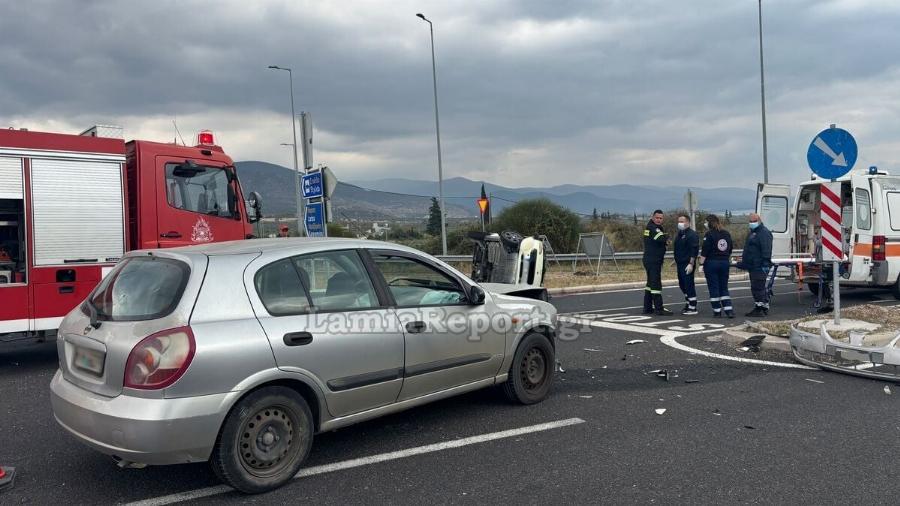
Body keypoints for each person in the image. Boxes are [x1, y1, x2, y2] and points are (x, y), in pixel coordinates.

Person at [736, 213, 773, 317]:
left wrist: (765, 263)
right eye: (750, 221)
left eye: (753, 221)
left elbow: (766, 249)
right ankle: (764, 307)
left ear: (759, 220)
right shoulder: (753, 233)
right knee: (758, 287)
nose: (751, 223)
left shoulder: (763, 233)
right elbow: (750, 249)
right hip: (753, 265)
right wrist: (743, 263)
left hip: (759, 265)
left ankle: (759, 308)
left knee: (758, 288)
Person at [699, 214, 734, 318]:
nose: (705, 224)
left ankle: (717, 311)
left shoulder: (709, 234)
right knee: (724, 287)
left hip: (712, 263)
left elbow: (705, 251)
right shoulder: (726, 233)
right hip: (724, 262)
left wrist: (701, 264)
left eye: (706, 222)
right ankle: (729, 310)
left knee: (714, 287)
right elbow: (730, 248)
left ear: (709, 223)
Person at [642, 209, 672, 316]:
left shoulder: (652, 227)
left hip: (651, 259)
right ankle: (659, 308)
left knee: (650, 284)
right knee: (655, 284)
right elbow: (660, 238)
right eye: (657, 218)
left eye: (661, 218)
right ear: (652, 217)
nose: (659, 220)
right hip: (653, 260)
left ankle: (648, 307)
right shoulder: (653, 227)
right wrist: (667, 237)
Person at [674, 214, 700, 315]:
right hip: (679, 263)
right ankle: (688, 301)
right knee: (682, 284)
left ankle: (693, 306)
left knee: (688, 284)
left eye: (682, 221)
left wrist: (691, 263)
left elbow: (694, 250)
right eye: (679, 221)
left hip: (687, 264)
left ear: (688, 222)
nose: (680, 223)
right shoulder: (680, 234)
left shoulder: (692, 235)